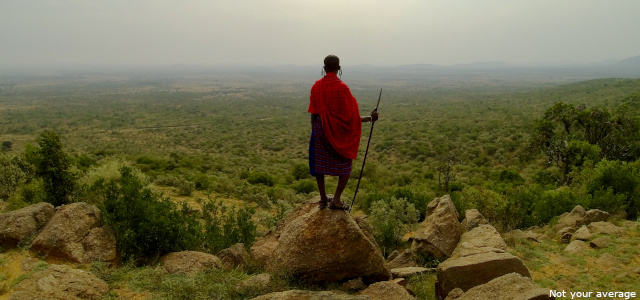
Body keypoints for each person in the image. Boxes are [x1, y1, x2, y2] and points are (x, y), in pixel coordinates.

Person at [308, 55, 379, 210]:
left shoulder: (316, 86)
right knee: (346, 164)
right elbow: (351, 117)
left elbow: (313, 114)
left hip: (319, 131)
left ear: (324, 68)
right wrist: (370, 118)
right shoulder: (343, 88)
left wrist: (316, 133)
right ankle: (337, 200)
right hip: (338, 133)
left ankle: (322, 198)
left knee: (319, 165)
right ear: (339, 69)